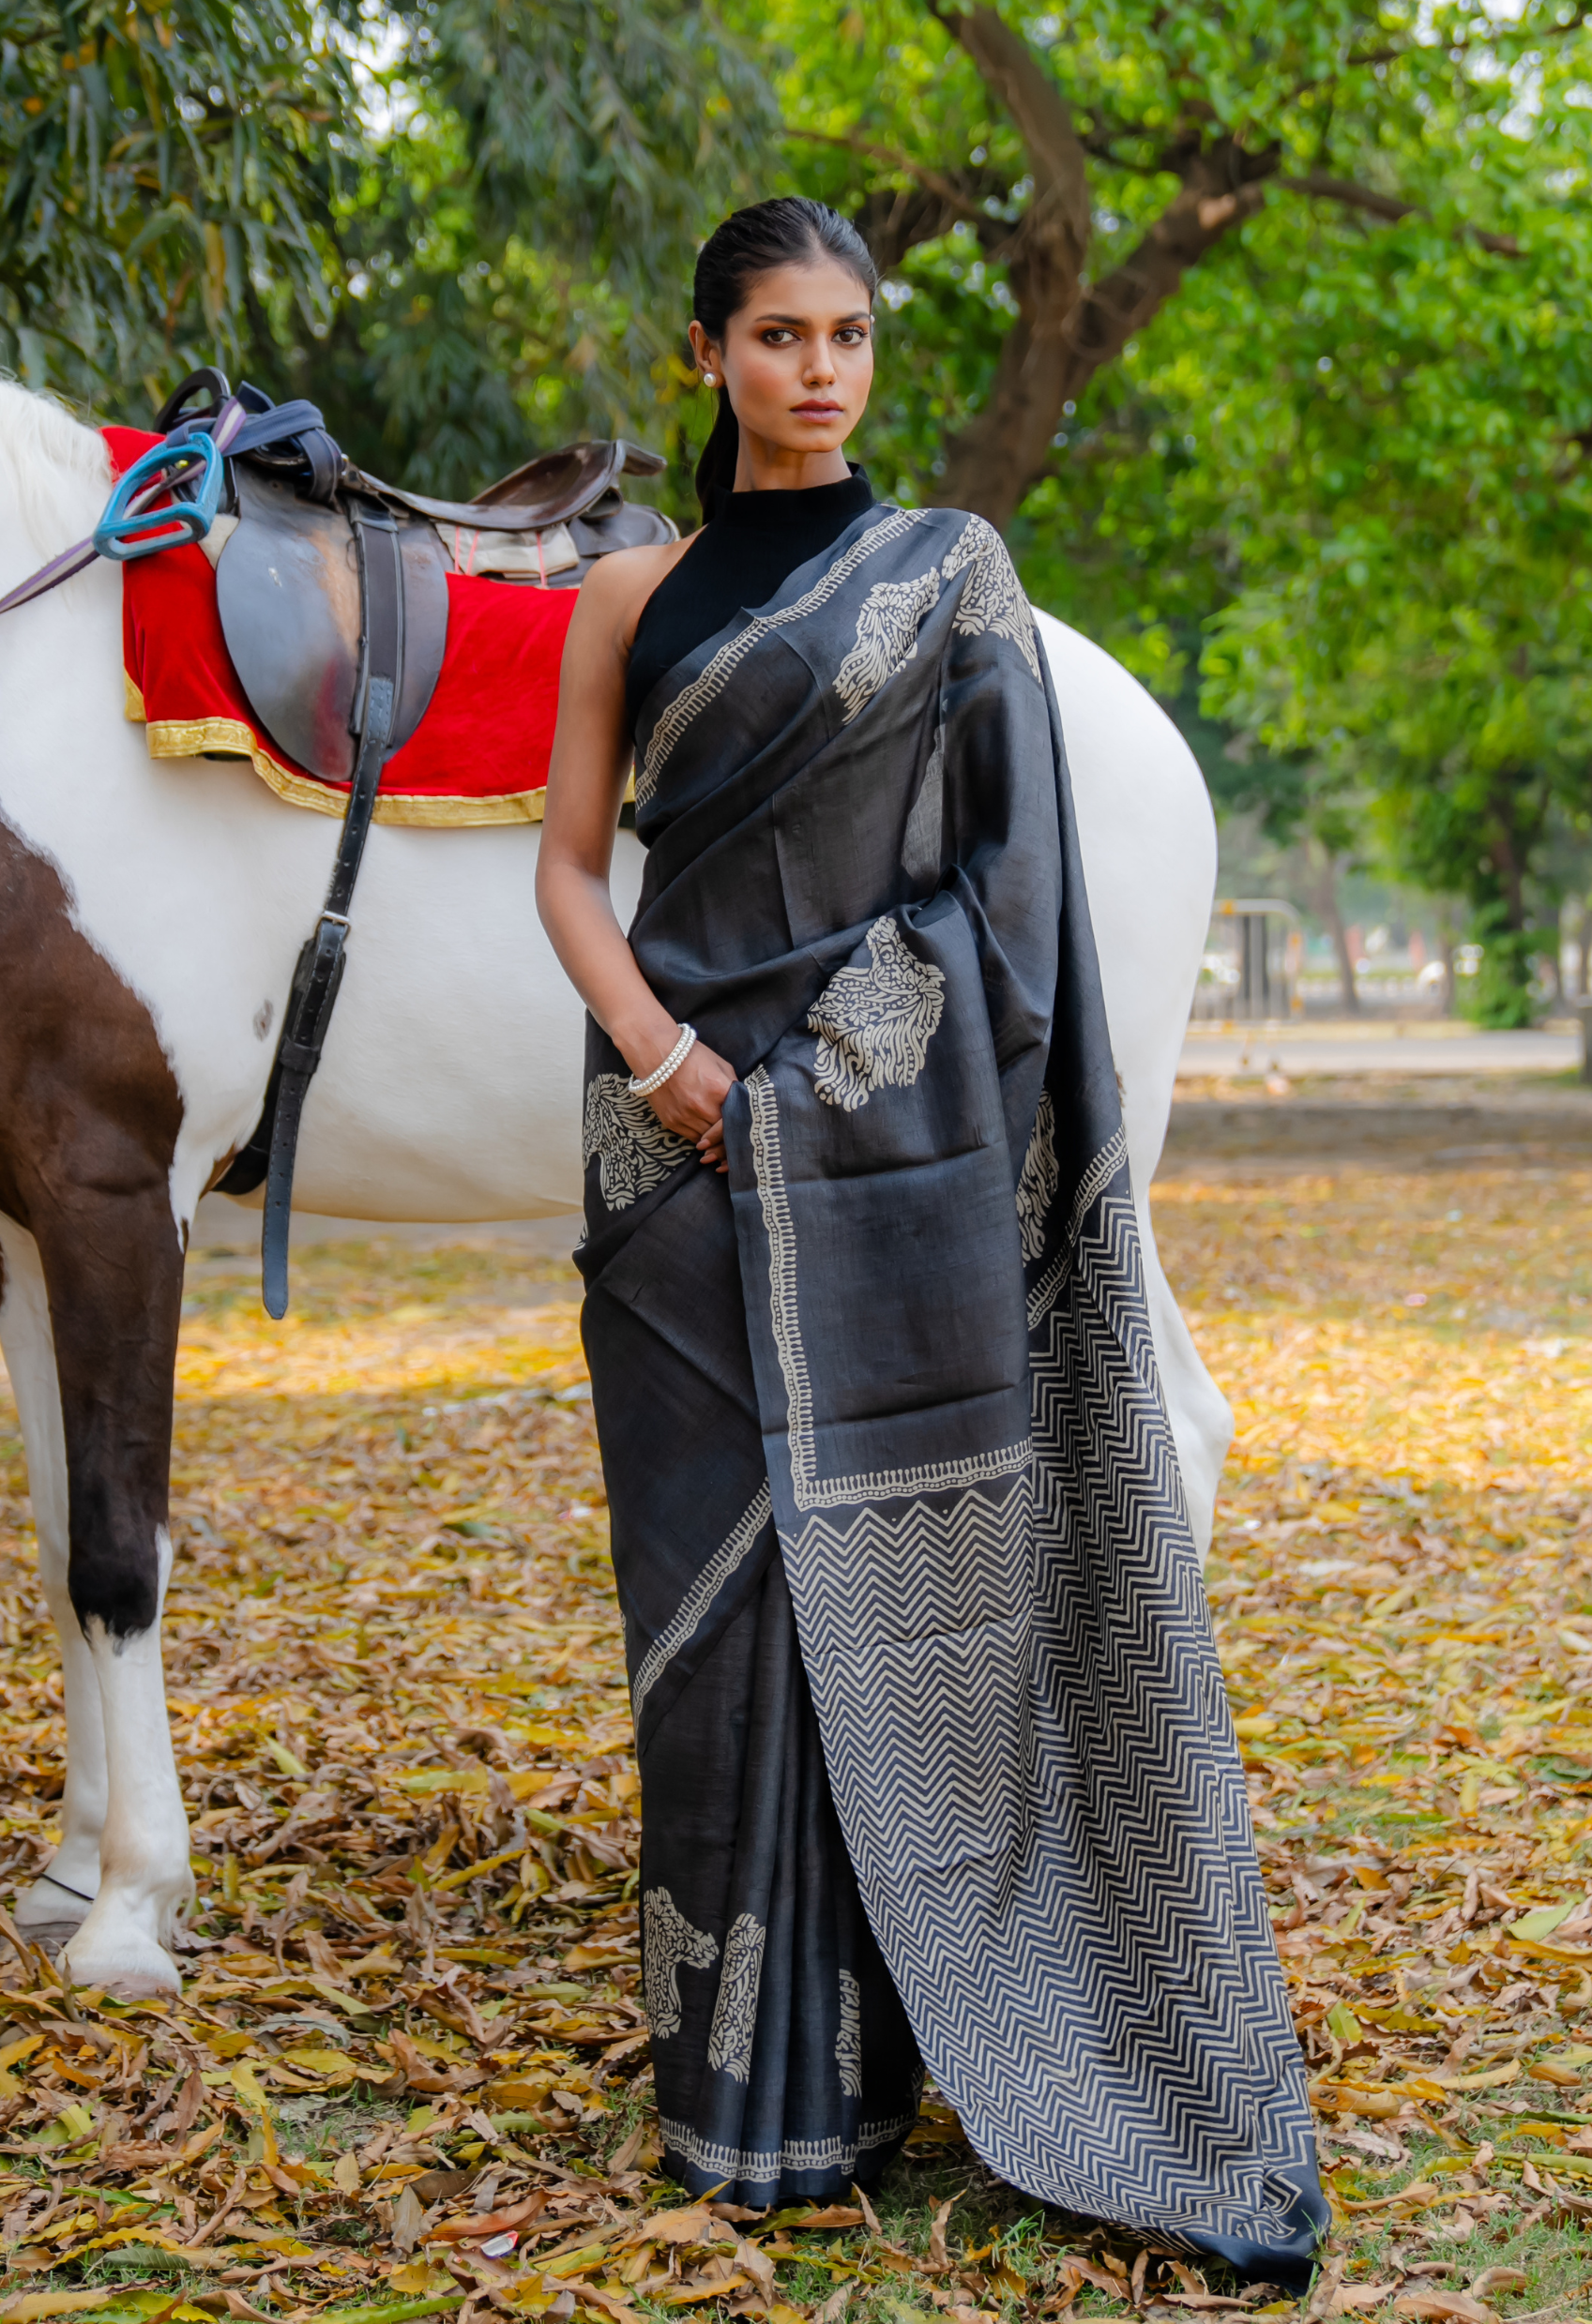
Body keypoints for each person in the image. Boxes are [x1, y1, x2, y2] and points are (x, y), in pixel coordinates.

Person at [535, 198, 1325, 2278]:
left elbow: (1003, 892)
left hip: (884, 1166)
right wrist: (668, 1063)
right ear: (706, 356)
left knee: (904, 1609)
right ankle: (750, 2093)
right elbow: (567, 871)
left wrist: (819, 1085)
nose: (820, 371)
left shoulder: (952, 574)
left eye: (850, 336)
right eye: (778, 336)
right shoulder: (626, 598)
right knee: (710, 1621)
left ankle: (937, 2045)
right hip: (665, 1164)